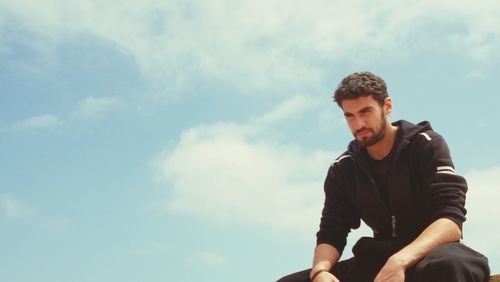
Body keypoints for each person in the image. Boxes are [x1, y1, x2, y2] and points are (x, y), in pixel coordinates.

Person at [277, 72, 490, 282]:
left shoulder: (426, 144)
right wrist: (320, 272)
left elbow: (450, 221)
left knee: (451, 265)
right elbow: (331, 231)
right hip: (378, 258)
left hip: (431, 253)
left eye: (366, 111)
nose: (358, 124)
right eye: (349, 115)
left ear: (387, 106)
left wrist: (401, 261)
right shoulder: (343, 168)